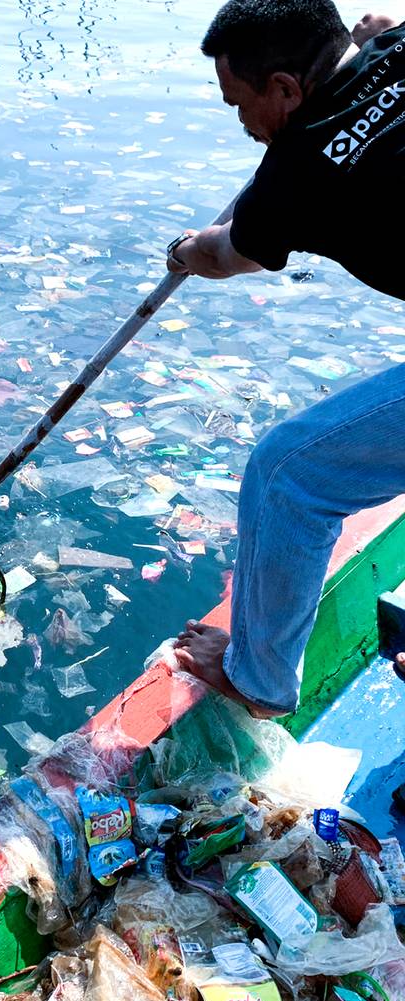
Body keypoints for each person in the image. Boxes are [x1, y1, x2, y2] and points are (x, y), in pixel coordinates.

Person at [166, 1, 405, 717]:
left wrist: (183, 250)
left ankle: (260, 681)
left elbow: (222, 253)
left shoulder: (293, 181)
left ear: (286, 89)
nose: (242, 124)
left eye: (240, 103)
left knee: (289, 474)